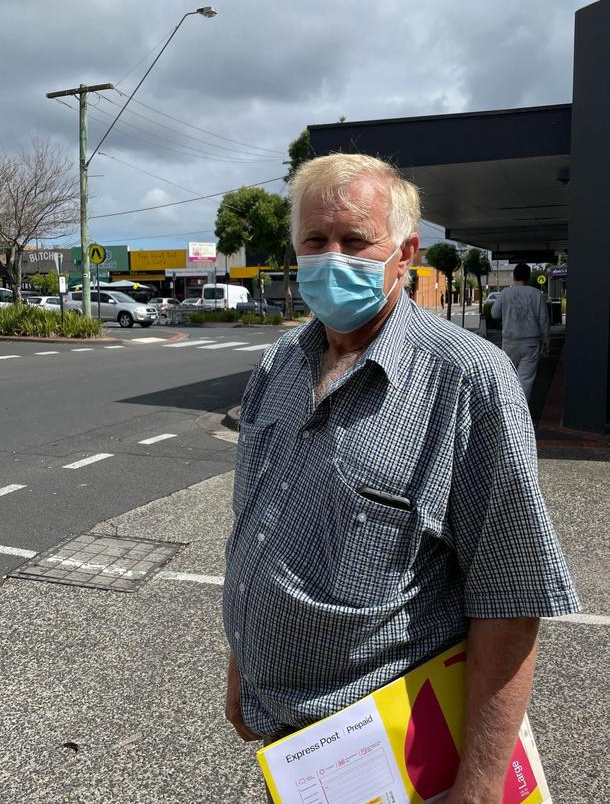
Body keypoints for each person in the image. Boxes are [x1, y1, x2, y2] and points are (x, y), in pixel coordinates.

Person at [223, 154, 579, 804]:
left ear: (407, 251)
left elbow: (511, 596)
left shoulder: (468, 381)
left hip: (398, 753)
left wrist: (477, 788)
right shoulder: (278, 363)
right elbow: (257, 529)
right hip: (295, 755)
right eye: (315, 241)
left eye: (355, 241)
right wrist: (241, 669)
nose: (332, 258)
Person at [490, 264, 551, 401]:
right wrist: (547, 341)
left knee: (507, 377)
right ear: (528, 277)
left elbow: (494, 313)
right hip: (531, 343)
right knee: (526, 379)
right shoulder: (536, 294)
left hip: (509, 342)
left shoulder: (506, 293)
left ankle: (507, 408)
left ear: (514, 276)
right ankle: (522, 414)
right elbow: (544, 320)